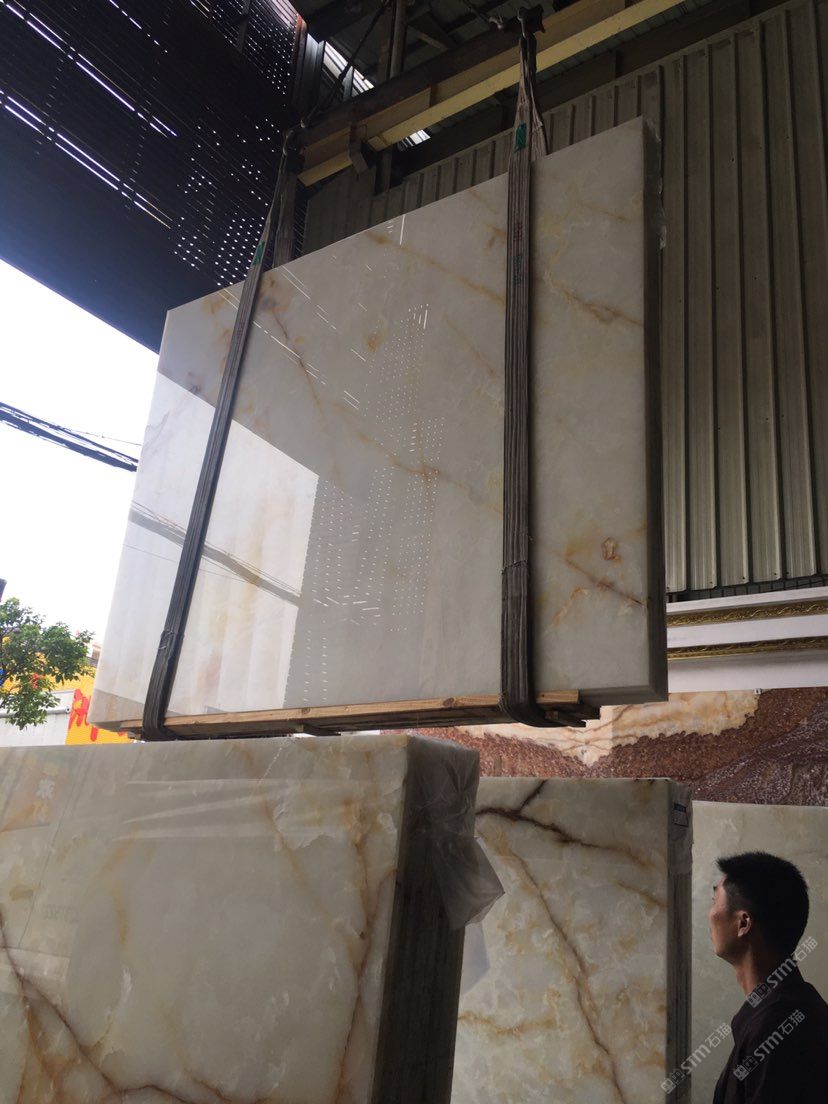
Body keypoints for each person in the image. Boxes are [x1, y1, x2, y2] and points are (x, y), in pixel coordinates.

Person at [709, 850, 828, 1101]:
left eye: (714, 900)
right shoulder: (781, 1010)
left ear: (743, 923)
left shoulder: (777, 1029)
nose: (710, 914)